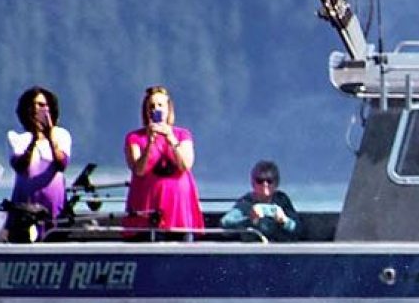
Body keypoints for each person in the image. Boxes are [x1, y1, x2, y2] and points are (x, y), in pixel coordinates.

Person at [124, 85, 203, 235]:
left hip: (178, 209)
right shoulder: (134, 138)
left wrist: (170, 138)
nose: (156, 109)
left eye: (160, 105)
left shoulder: (182, 135)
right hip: (146, 207)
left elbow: (186, 164)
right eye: (151, 106)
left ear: (168, 109)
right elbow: (139, 170)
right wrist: (150, 143)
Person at [5, 85, 71, 240]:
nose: (36, 109)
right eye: (32, 105)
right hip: (24, 209)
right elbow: (20, 166)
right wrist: (34, 139)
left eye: (41, 105)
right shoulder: (17, 138)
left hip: (54, 207)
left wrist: (49, 137)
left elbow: (62, 164)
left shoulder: (61, 135)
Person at [220, 160, 302, 241]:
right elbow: (225, 225)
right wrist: (250, 218)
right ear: (253, 183)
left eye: (269, 181)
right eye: (260, 181)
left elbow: (299, 230)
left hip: (279, 250)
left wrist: (285, 220)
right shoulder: (246, 202)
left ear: (276, 183)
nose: (265, 184)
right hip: (252, 250)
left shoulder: (282, 201)